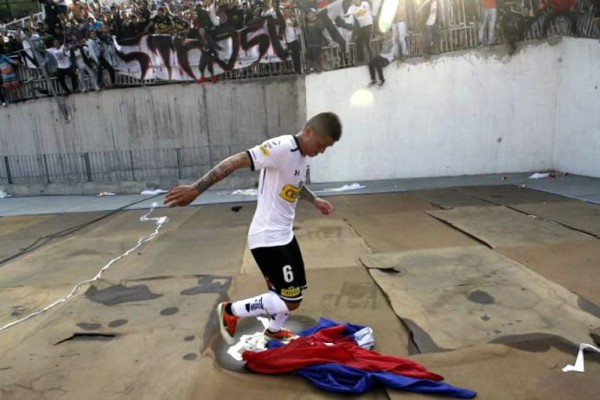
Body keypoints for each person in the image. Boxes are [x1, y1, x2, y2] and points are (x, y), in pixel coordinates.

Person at [164, 112, 343, 344]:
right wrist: (197, 188)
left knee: (292, 289)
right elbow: (236, 160)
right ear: (308, 132)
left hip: (285, 235)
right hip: (268, 239)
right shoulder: (281, 148)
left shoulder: (303, 156)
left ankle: (274, 329)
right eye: (320, 145)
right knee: (291, 300)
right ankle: (231, 311)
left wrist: (315, 200)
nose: (321, 151)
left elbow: (296, 185)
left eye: (326, 148)